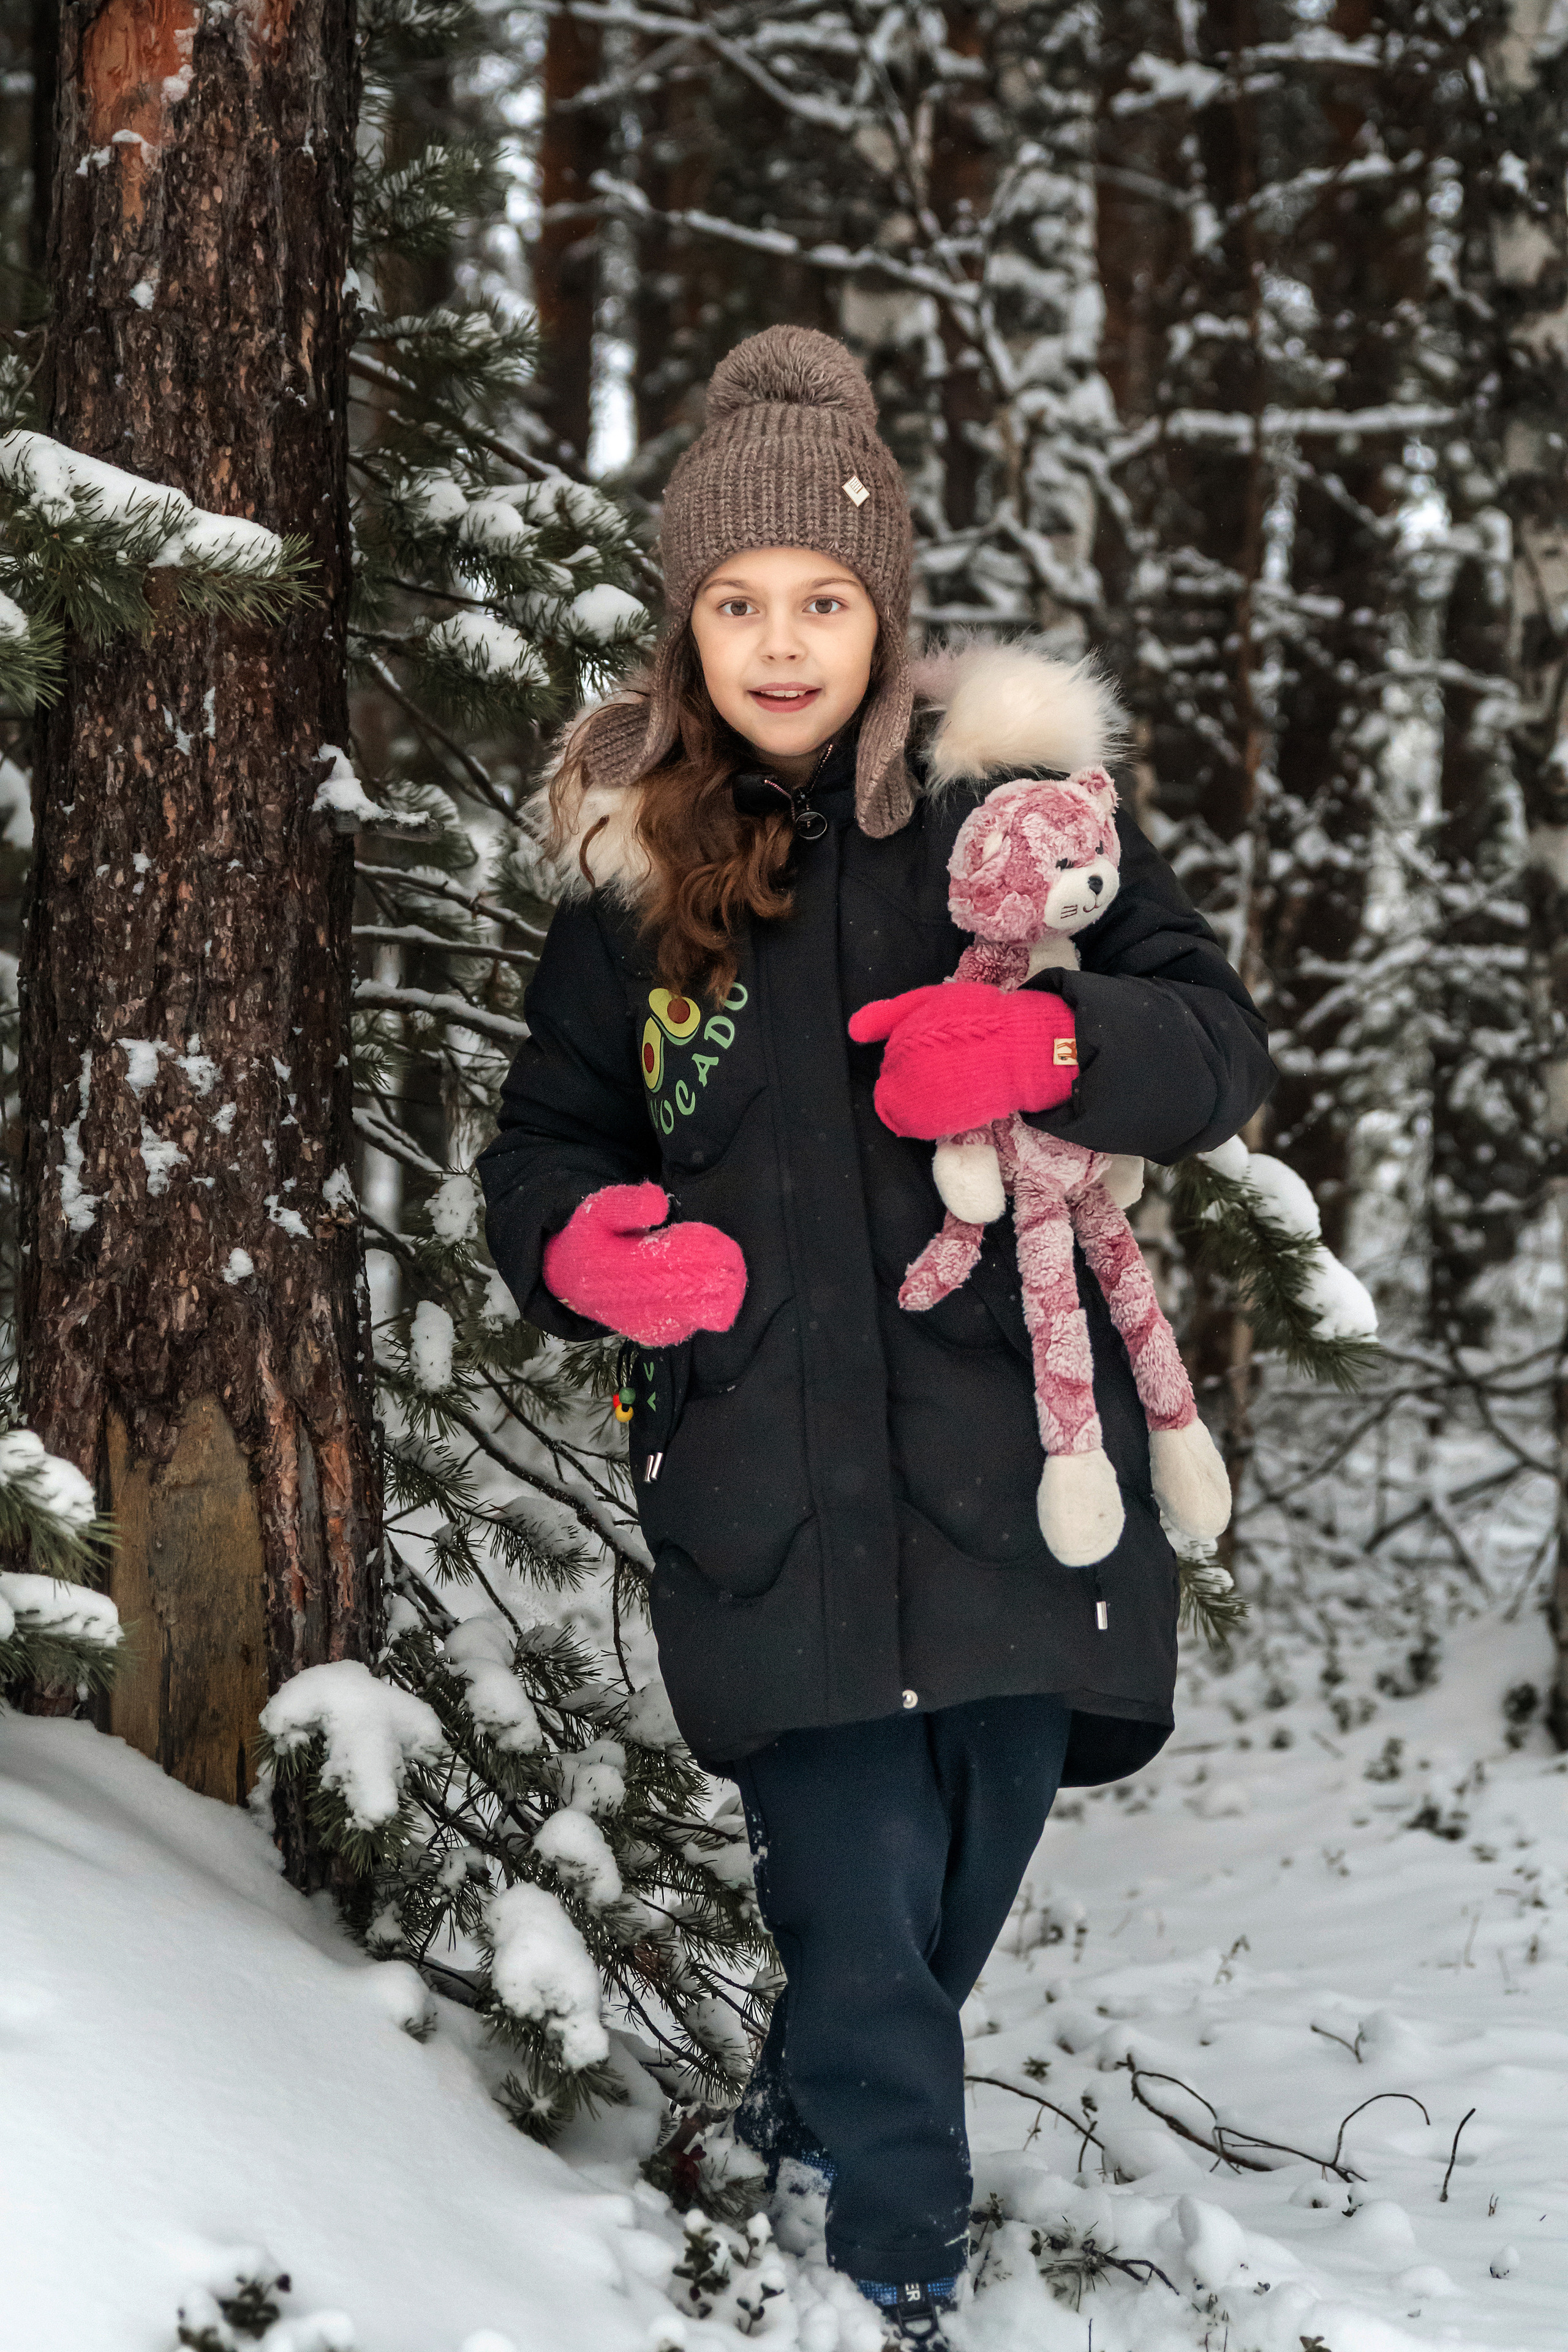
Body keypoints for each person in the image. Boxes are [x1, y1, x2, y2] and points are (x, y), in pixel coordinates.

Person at [479, 326, 1275, 2347]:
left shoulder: (1007, 819)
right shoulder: (635, 875)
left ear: (886, 616)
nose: (780, 641)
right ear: (686, 628)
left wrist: (1059, 1043)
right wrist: (580, 1243)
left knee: (951, 1884)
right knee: (853, 1891)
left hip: (1015, 1459)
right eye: (737, 602)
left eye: (823, 601)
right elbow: (548, 1139)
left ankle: (802, 2119)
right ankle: (897, 2267)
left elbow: (1215, 1036)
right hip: (769, 1473)